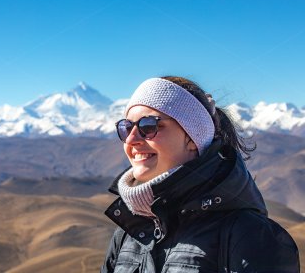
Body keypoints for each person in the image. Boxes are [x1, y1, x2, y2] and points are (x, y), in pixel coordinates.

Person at [101, 76, 299, 273]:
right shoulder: (128, 235)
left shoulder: (251, 236)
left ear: (193, 138)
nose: (132, 139)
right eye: (126, 128)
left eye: (148, 126)